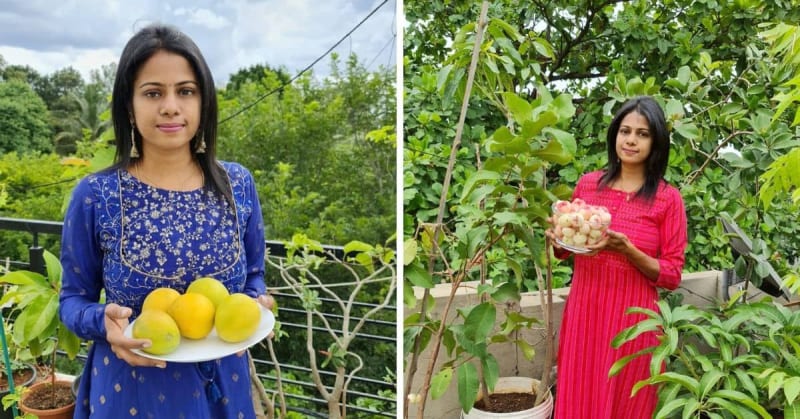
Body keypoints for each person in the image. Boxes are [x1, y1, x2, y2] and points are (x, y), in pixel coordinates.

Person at [59, 23, 274, 419]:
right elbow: (72, 301)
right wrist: (102, 323)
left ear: (204, 101)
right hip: (131, 392)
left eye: (186, 91)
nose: (171, 106)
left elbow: (254, 276)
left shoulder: (237, 184)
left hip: (224, 388)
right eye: (153, 92)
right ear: (129, 105)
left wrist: (257, 303)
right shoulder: (95, 195)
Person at [547, 96, 688, 418]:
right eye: (625, 131)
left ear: (656, 142)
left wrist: (628, 250)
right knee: (580, 398)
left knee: (630, 403)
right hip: (586, 315)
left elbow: (671, 275)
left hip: (634, 323)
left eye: (642, 134)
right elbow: (565, 251)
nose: (631, 140)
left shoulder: (668, 199)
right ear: (615, 135)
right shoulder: (588, 185)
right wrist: (558, 237)